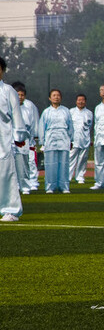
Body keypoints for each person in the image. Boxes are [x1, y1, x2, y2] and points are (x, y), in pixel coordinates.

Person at [0, 57, 27, 221]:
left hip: (4, 137)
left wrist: (19, 136)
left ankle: (10, 209)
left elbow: (16, 114)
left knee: (6, 173)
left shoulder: (8, 90)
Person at [39, 89, 74, 193]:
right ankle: (50, 187)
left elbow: (70, 126)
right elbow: (42, 127)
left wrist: (71, 140)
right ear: (50, 98)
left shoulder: (66, 111)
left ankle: (64, 187)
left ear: (61, 97)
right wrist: (42, 142)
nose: (56, 97)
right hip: (50, 140)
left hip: (64, 140)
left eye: (58, 95)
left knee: (64, 164)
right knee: (50, 165)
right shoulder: (46, 112)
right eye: (54, 95)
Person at [13, 84, 38, 194]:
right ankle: (15, 186)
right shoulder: (10, 108)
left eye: (22, 95)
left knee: (24, 163)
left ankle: (25, 186)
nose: (20, 97)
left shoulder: (28, 109)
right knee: (11, 164)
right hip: (11, 141)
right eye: (17, 95)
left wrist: (32, 139)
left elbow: (32, 125)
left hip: (24, 141)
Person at [68, 93, 93, 185]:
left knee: (83, 159)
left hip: (84, 140)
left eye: (82, 100)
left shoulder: (89, 113)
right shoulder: (71, 112)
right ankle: (68, 176)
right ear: (76, 101)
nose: (80, 102)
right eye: (79, 100)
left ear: (85, 101)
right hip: (73, 140)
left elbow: (89, 127)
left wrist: (89, 139)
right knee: (71, 158)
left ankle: (80, 176)